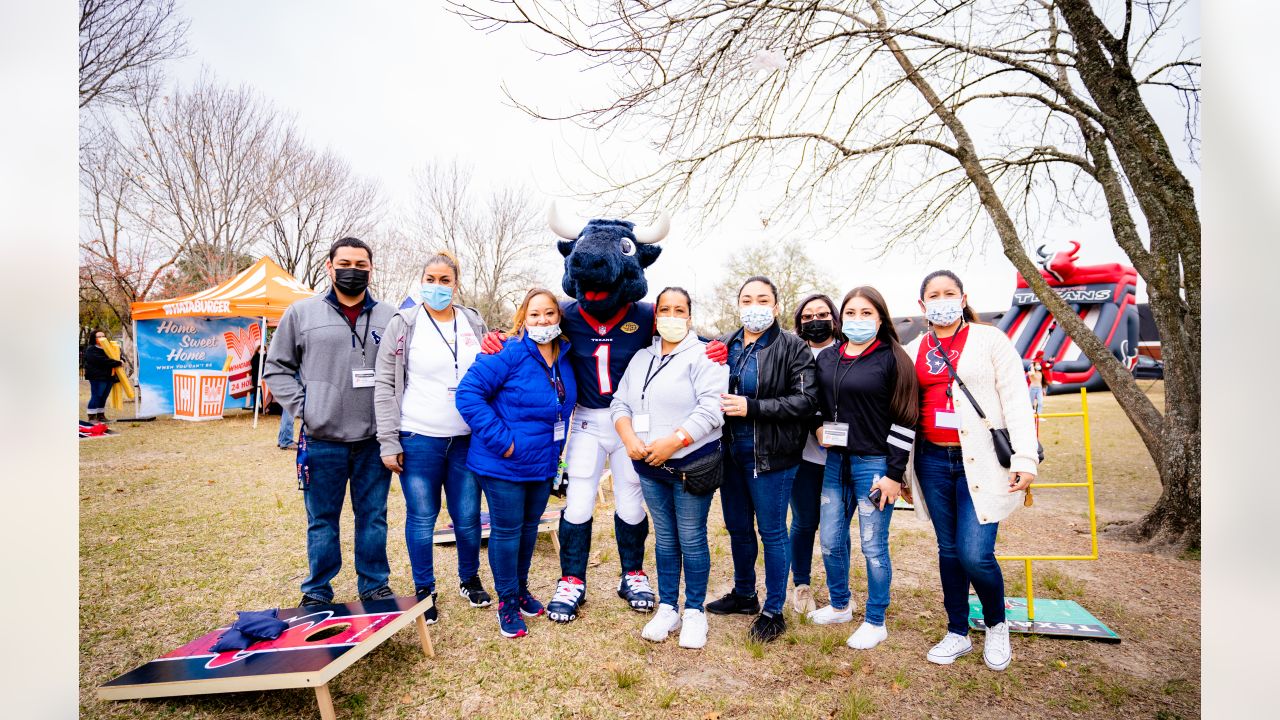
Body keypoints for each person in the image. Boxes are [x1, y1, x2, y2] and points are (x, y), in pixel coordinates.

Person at [903, 269, 1038, 672]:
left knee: (975, 553)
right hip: (931, 460)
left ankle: (997, 624)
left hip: (978, 460)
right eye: (934, 295)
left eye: (950, 293)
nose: (942, 300)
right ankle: (957, 631)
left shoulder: (990, 340)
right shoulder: (914, 349)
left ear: (962, 298)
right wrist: (902, 472)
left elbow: (1015, 399)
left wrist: (1026, 458)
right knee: (948, 550)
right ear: (922, 305)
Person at [264, 237, 396, 607]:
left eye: (361, 265)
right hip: (322, 439)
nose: (352, 271)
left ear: (371, 269)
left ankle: (373, 584)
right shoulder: (301, 314)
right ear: (329, 266)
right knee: (322, 520)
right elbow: (277, 368)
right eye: (345, 263)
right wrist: (305, 408)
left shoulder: (390, 317)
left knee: (373, 517)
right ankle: (318, 590)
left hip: (373, 440)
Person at [374, 250, 492, 625]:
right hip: (418, 436)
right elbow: (384, 383)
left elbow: (491, 368)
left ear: (456, 284)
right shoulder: (404, 322)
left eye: (445, 281)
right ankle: (425, 589)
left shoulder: (473, 321)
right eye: (431, 279)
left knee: (468, 516)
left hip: (466, 439)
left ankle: (469, 578)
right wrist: (388, 440)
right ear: (421, 281)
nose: (437, 287)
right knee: (422, 517)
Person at [610, 287, 729, 649]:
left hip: (691, 464)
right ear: (656, 315)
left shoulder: (706, 355)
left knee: (691, 538)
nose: (672, 316)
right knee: (664, 539)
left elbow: (711, 410)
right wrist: (628, 436)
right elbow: (620, 402)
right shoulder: (641, 357)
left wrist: (674, 441)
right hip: (649, 465)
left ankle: (694, 611)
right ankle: (668, 606)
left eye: (680, 310)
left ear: (690, 317)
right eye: (665, 310)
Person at [455, 288, 577, 638]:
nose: (543, 320)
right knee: (507, 533)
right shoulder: (507, 352)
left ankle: (521, 589)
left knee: (527, 530)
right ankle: (506, 601)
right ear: (523, 319)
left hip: (542, 463)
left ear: (559, 317)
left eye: (550, 314)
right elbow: (468, 395)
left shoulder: (566, 358)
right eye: (535, 314)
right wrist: (503, 442)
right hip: (502, 464)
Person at [707, 276, 818, 643]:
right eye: (747, 299)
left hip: (772, 456)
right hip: (729, 454)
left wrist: (752, 408)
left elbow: (805, 402)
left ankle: (774, 609)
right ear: (738, 305)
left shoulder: (793, 347)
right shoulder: (725, 343)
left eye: (762, 299)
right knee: (738, 528)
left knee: (772, 532)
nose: (754, 306)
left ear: (775, 305)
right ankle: (744, 594)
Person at [809, 287, 919, 651]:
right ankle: (840, 604)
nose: (858, 320)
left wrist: (893, 473)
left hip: (874, 465)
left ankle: (876, 620)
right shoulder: (828, 358)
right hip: (836, 461)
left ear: (880, 318)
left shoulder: (894, 358)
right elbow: (814, 404)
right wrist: (818, 427)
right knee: (830, 539)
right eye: (851, 313)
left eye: (866, 313)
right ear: (841, 318)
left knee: (873, 545)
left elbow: (906, 419)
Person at [788, 294, 839, 615]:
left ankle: (839, 587)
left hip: (844, 454)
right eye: (807, 317)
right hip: (803, 454)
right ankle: (802, 585)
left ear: (834, 317)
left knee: (836, 526)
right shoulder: (793, 351)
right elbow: (792, 397)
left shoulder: (848, 352)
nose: (814, 321)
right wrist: (815, 424)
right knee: (805, 521)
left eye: (821, 314)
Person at [82, 329, 122, 422]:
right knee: (97, 395)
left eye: (103, 336)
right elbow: (102, 361)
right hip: (97, 377)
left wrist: (121, 360)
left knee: (104, 396)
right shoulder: (91, 349)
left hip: (109, 376)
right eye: (99, 336)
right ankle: (91, 417)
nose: (101, 338)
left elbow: (116, 357)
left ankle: (101, 416)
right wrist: (117, 363)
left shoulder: (109, 348)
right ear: (94, 338)